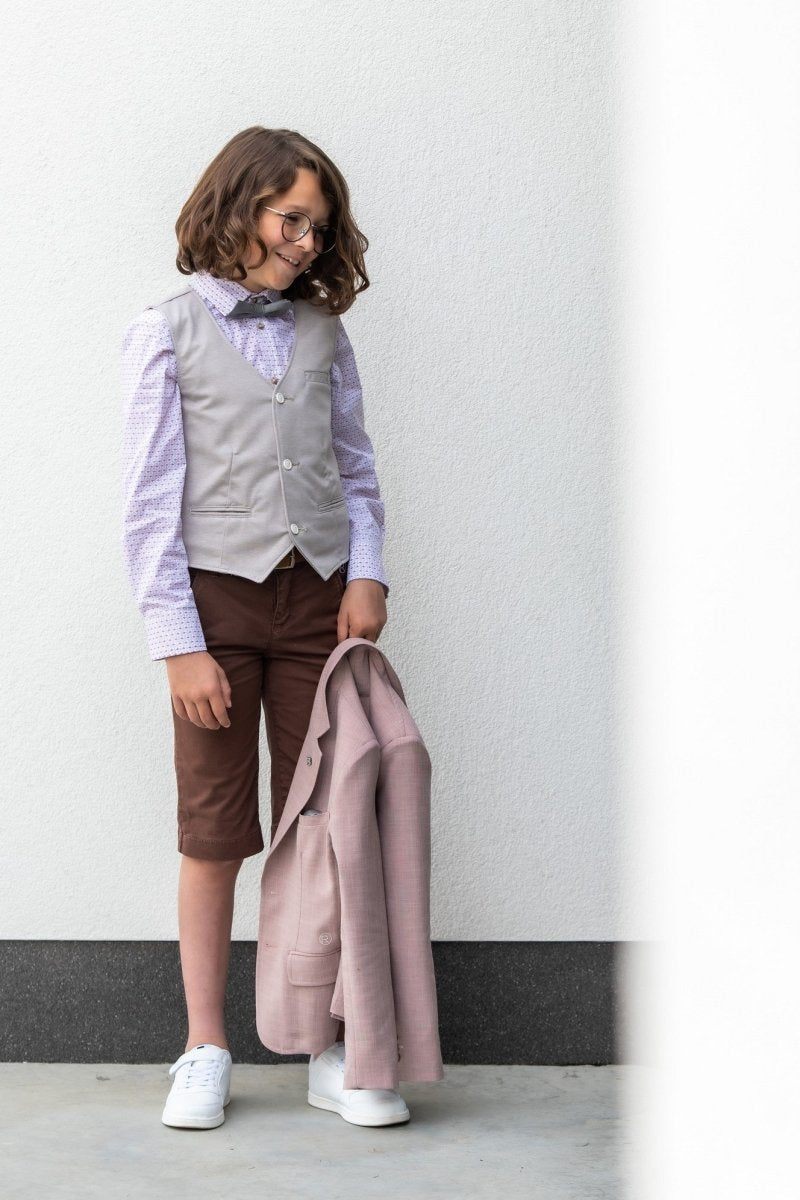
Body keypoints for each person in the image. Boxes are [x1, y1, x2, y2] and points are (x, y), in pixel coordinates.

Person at [119, 126, 404, 1129]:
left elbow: (354, 467)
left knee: (328, 822)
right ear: (238, 207)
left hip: (319, 602)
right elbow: (149, 503)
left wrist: (366, 574)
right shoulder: (166, 331)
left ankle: (329, 1046)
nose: (307, 241)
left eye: (319, 227)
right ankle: (204, 1045)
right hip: (215, 609)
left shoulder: (324, 333)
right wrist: (177, 645)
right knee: (215, 831)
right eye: (291, 219)